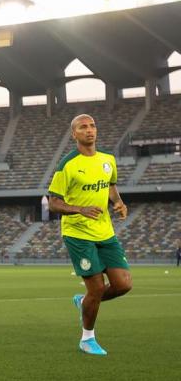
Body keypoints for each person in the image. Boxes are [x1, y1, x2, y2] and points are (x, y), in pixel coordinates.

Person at [48, 114, 132, 356]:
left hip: (105, 232)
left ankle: (83, 301)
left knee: (123, 284)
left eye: (92, 125)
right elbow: (53, 203)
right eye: (82, 127)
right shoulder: (67, 165)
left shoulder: (108, 159)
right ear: (74, 134)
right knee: (95, 289)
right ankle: (87, 339)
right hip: (78, 234)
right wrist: (80, 209)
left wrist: (119, 203)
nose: (89, 130)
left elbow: (111, 185)